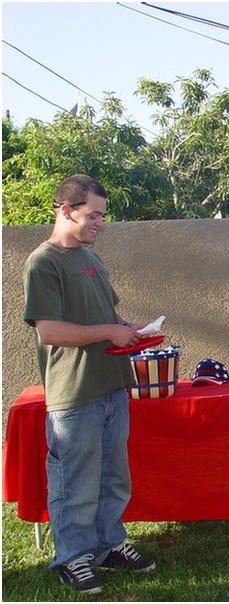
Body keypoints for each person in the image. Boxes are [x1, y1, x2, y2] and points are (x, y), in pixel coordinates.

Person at [23, 174, 156, 595]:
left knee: (113, 476)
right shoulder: (42, 263)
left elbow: (107, 319)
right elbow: (49, 331)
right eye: (92, 215)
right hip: (74, 392)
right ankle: (71, 557)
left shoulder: (92, 258)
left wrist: (130, 330)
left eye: (102, 215)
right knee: (75, 480)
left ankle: (108, 545)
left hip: (112, 386)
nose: (100, 223)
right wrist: (108, 332)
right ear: (66, 210)